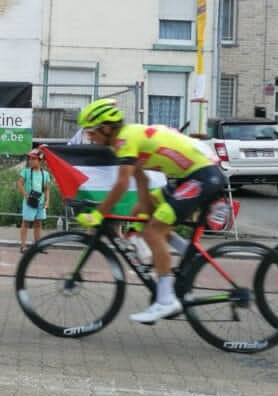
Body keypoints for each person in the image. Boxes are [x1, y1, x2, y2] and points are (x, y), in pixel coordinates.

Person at [74, 98, 226, 323]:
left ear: (106, 128)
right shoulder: (126, 140)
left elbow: (122, 184)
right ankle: (187, 253)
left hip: (202, 176)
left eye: (91, 132)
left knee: (153, 231)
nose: (89, 137)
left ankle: (166, 301)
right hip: (191, 176)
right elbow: (141, 180)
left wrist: (99, 214)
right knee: (140, 212)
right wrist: (143, 214)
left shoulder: (125, 139)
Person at [17, 148, 52, 253]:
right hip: (29, 202)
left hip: (40, 203)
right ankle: (23, 246)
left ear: (41, 161)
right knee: (26, 223)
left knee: (38, 223)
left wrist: (47, 201)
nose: (30, 161)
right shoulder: (26, 172)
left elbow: (46, 189)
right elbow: (19, 184)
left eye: (33, 159)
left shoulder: (45, 174)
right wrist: (26, 195)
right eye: (30, 159)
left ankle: (38, 246)